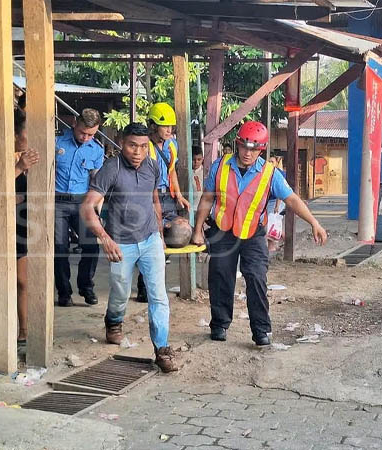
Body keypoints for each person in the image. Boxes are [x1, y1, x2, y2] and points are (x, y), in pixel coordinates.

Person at [191, 121, 328, 346]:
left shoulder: (269, 174)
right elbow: (207, 198)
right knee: (220, 277)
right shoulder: (220, 165)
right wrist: (197, 230)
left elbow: (291, 199)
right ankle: (219, 325)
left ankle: (261, 330)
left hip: (253, 234)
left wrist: (314, 222)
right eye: (244, 147)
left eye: (254, 149)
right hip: (222, 232)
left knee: (256, 278)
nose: (248, 153)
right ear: (238, 144)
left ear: (261, 150)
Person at [80, 123, 178, 373]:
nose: (138, 152)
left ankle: (162, 350)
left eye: (143, 146)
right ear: (122, 143)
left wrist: (160, 234)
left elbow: (154, 200)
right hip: (121, 243)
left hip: (150, 239)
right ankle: (113, 322)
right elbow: (87, 207)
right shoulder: (111, 169)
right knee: (120, 293)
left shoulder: (153, 166)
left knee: (158, 295)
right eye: (132, 145)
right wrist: (105, 238)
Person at [0, 108, 39, 354]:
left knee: (23, 280)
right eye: (27, 134)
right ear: (14, 134)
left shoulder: (21, 156)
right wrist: (19, 168)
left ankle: (24, 331)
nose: (30, 139)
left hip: (21, 224)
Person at [135, 102, 190, 303]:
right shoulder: (144, 147)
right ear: (153, 125)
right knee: (152, 242)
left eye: (171, 126)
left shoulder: (171, 145)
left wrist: (179, 194)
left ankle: (153, 285)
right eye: (164, 126)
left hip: (168, 197)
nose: (169, 130)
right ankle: (144, 288)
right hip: (149, 197)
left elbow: (172, 171)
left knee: (172, 238)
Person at [54, 108, 104, 307]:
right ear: (75, 123)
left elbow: (97, 182)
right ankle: (64, 292)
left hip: (83, 203)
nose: (85, 138)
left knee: (91, 246)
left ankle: (86, 287)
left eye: (91, 134)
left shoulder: (96, 150)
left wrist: (97, 209)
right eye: (83, 132)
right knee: (59, 248)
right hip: (57, 202)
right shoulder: (57, 141)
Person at [192, 147, 204, 213]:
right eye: (193, 159)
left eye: (199, 159)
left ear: (202, 159)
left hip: (204, 209)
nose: (196, 162)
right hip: (191, 208)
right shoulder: (186, 173)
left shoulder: (205, 172)